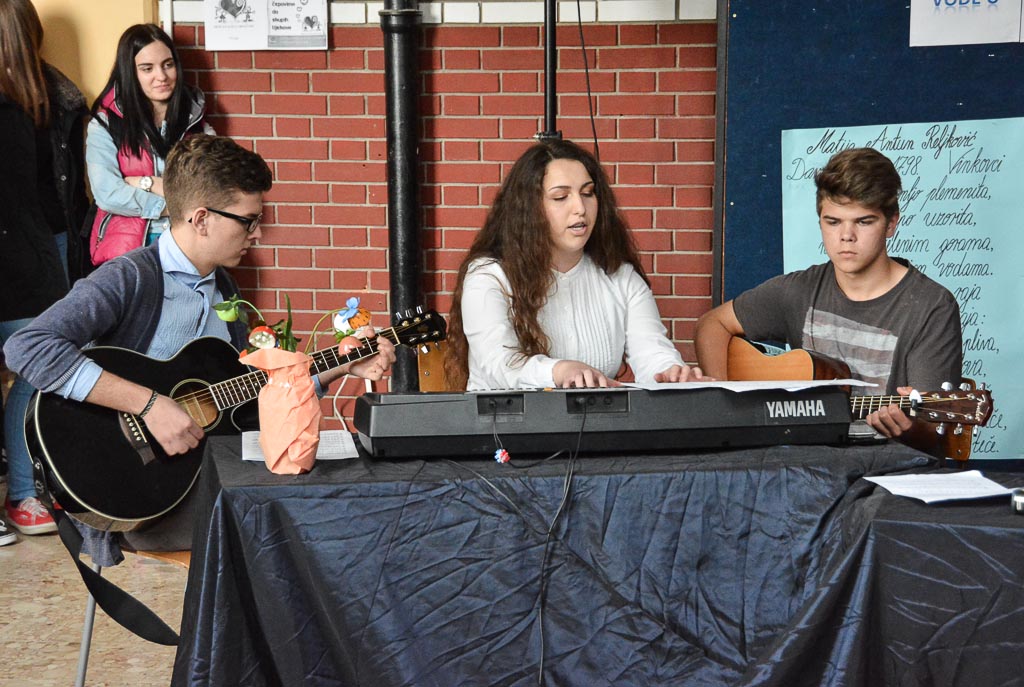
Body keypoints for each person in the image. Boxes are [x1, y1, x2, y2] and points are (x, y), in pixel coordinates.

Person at [4, 134, 396, 557]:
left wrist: (342, 364)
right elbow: (28, 347)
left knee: (336, 492)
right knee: (290, 519)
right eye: (248, 221)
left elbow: (252, 398)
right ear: (202, 219)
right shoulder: (129, 278)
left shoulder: (227, 291)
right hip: (143, 491)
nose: (258, 234)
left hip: (206, 476)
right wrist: (149, 405)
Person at [694, 147, 962, 456]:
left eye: (864, 222)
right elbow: (711, 324)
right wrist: (725, 402)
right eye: (833, 222)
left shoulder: (931, 306)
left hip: (884, 473)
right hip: (801, 467)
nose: (846, 236)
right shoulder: (798, 291)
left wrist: (910, 428)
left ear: (891, 224)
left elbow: (933, 433)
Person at [444, 139, 703, 391]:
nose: (580, 208)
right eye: (560, 197)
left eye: (588, 193)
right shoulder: (488, 276)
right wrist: (558, 371)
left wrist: (671, 374)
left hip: (595, 420)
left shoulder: (621, 277)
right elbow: (498, 364)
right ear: (528, 209)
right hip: (502, 420)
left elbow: (652, 352)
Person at [0, 0, 89, 543]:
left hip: (37, 253)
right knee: (33, 371)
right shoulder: (49, 97)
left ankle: (24, 491)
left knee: (36, 368)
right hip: (31, 253)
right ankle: (22, 493)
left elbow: (60, 196)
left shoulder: (56, 99)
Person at [85, 23, 213, 265]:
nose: (161, 76)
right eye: (147, 68)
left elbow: (211, 187)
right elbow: (108, 194)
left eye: (168, 65)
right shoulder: (105, 124)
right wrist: (173, 205)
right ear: (130, 72)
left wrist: (145, 183)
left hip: (186, 245)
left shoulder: (195, 121)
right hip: (127, 253)